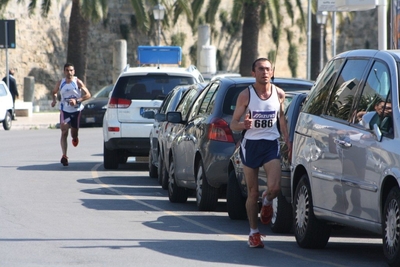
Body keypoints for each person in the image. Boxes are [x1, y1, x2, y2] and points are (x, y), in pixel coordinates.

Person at [230, 58, 291, 248]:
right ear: (253, 73)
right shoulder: (245, 95)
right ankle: (254, 232)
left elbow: (282, 119)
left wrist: (287, 140)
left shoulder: (279, 94)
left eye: (267, 69)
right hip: (251, 145)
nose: (264, 72)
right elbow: (233, 123)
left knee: (274, 189)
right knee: (252, 192)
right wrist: (243, 125)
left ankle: (267, 201)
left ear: (272, 72)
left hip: (271, 144)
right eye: (260, 69)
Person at [51, 63, 91, 166]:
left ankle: (75, 138)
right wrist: (54, 100)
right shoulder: (60, 83)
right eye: (67, 70)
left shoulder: (77, 82)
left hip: (76, 111)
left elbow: (88, 95)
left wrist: (77, 100)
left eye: (71, 70)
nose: (69, 72)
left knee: (74, 133)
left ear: (74, 72)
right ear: (64, 72)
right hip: (65, 110)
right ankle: (64, 156)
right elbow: (54, 92)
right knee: (64, 131)